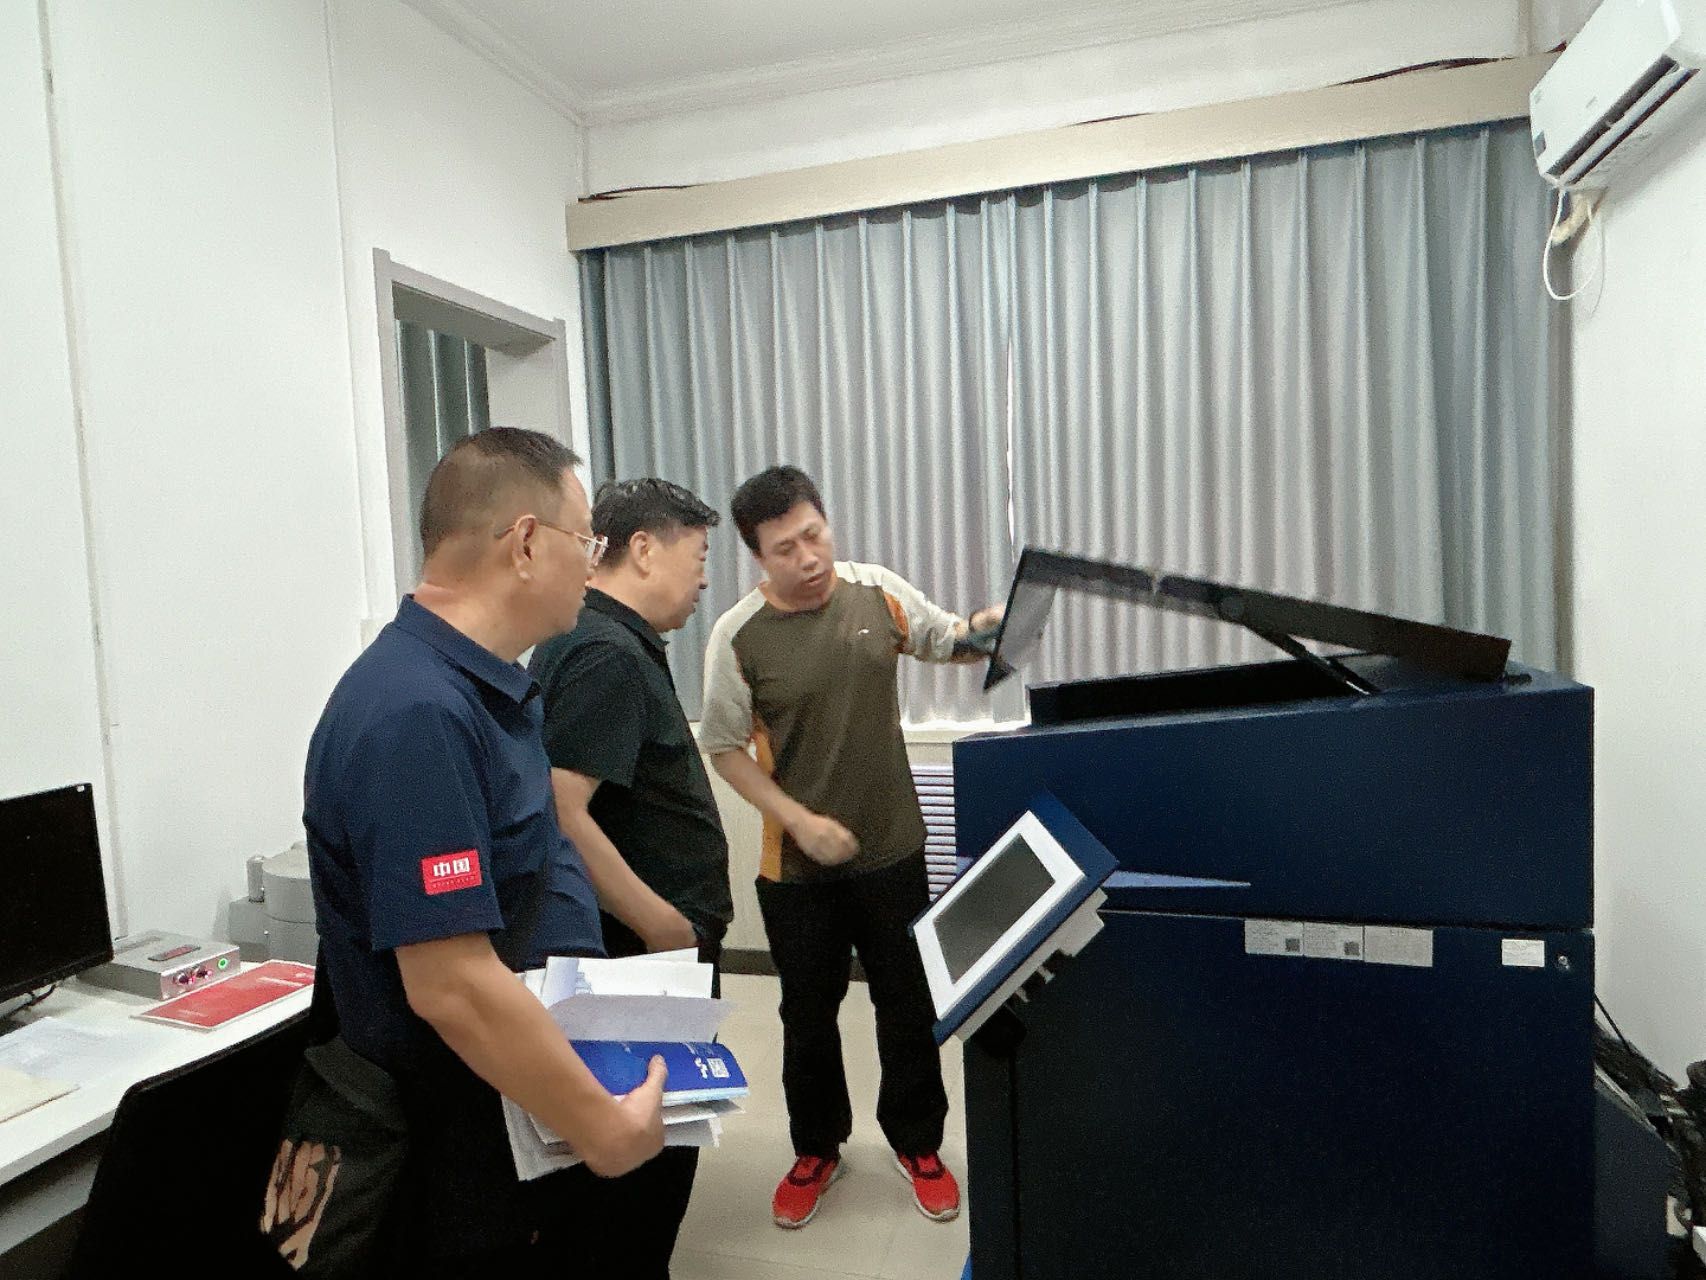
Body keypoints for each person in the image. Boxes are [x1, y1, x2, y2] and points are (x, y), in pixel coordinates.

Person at [302, 428, 666, 1278]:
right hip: (450, 1159)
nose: (594, 568)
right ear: (527, 543)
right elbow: (452, 984)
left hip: (514, 1115)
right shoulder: (417, 713)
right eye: (588, 542)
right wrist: (604, 1130)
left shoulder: (488, 688)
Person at [699, 464, 1001, 1230]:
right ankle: (816, 1149)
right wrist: (797, 820)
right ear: (757, 556)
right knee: (807, 1016)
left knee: (908, 1004)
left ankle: (918, 1143)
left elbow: (948, 642)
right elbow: (725, 747)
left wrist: (986, 626)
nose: (808, 557)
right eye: (785, 548)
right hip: (795, 870)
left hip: (894, 850)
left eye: (815, 534)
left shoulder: (876, 593)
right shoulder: (738, 637)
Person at [529, 477, 732, 1278]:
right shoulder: (606, 654)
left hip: (639, 949)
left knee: (635, 1155)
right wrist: (661, 922)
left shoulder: (601, 640)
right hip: (640, 955)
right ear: (643, 550)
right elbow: (563, 809)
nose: (705, 577)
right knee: (645, 1158)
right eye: (699, 556)